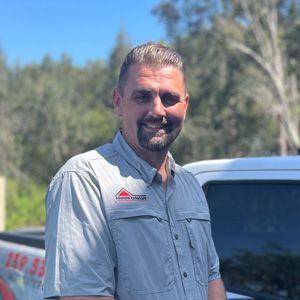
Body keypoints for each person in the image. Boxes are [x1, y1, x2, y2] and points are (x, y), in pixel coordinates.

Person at [43, 42, 227, 300]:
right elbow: (85, 295)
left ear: (185, 105)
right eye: (143, 96)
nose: (157, 110)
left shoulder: (190, 185)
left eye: (169, 98)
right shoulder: (84, 179)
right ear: (118, 102)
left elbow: (211, 280)